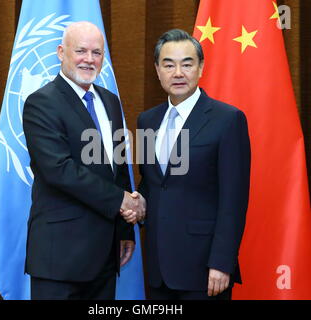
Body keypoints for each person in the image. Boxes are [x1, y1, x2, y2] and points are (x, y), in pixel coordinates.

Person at [22, 21, 145, 300]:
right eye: (81, 51)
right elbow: (59, 169)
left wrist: (125, 228)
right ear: (60, 52)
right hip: (59, 259)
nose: (89, 60)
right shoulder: (41, 103)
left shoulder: (110, 101)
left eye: (97, 53)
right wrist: (121, 201)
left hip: (104, 256)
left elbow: (118, 168)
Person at [137, 29, 251, 300]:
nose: (178, 72)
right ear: (157, 70)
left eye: (187, 64)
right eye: (168, 64)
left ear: (200, 67)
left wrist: (222, 262)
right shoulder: (147, 121)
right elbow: (153, 184)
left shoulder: (228, 120)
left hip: (204, 270)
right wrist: (133, 203)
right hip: (158, 268)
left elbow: (233, 200)